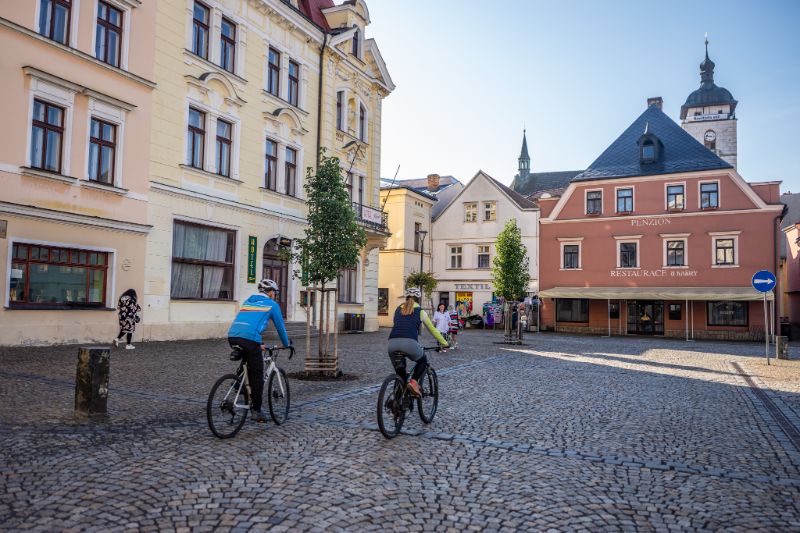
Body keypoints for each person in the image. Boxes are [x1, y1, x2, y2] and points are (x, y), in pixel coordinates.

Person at [228, 279, 292, 423]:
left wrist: (260, 342)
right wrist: (287, 344)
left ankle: (239, 383)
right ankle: (256, 410)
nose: (275, 296)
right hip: (249, 339)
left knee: (249, 358)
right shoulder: (272, 305)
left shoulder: (249, 300)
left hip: (233, 335)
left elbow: (249, 323)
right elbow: (280, 327)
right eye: (275, 293)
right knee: (257, 375)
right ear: (270, 293)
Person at [388, 287, 448, 397]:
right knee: (423, 360)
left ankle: (398, 402)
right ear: (419, 299)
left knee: (401, 376)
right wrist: (444, 343)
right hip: (409, 344)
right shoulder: (421, 312)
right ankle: (414, 382)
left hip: (392, 343)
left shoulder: (397, 310)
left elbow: (398, 325)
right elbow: (433, 330)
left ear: (406, 298)